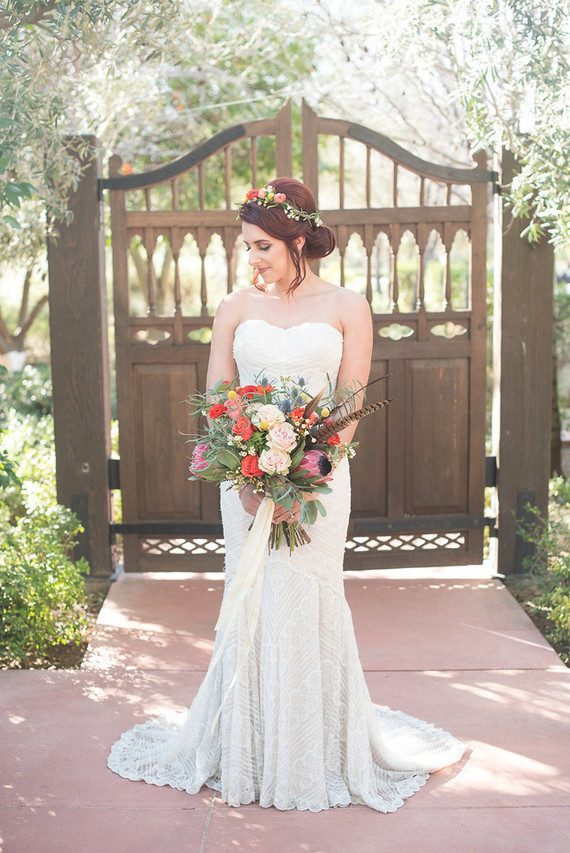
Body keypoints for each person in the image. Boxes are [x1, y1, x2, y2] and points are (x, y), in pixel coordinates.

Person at [107, 177, 466, 812]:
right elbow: (219, 397)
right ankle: (243, 747)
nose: (252, 259)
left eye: (263, 247)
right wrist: (248, 477)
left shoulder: (349, 307)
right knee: (252, 600)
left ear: (299, 240)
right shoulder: (234, 308)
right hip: (244, 481)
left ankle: (315, 749)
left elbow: (349, 402)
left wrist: (309, 472)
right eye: (246, 247)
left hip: (321, 481)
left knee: (308, 599)